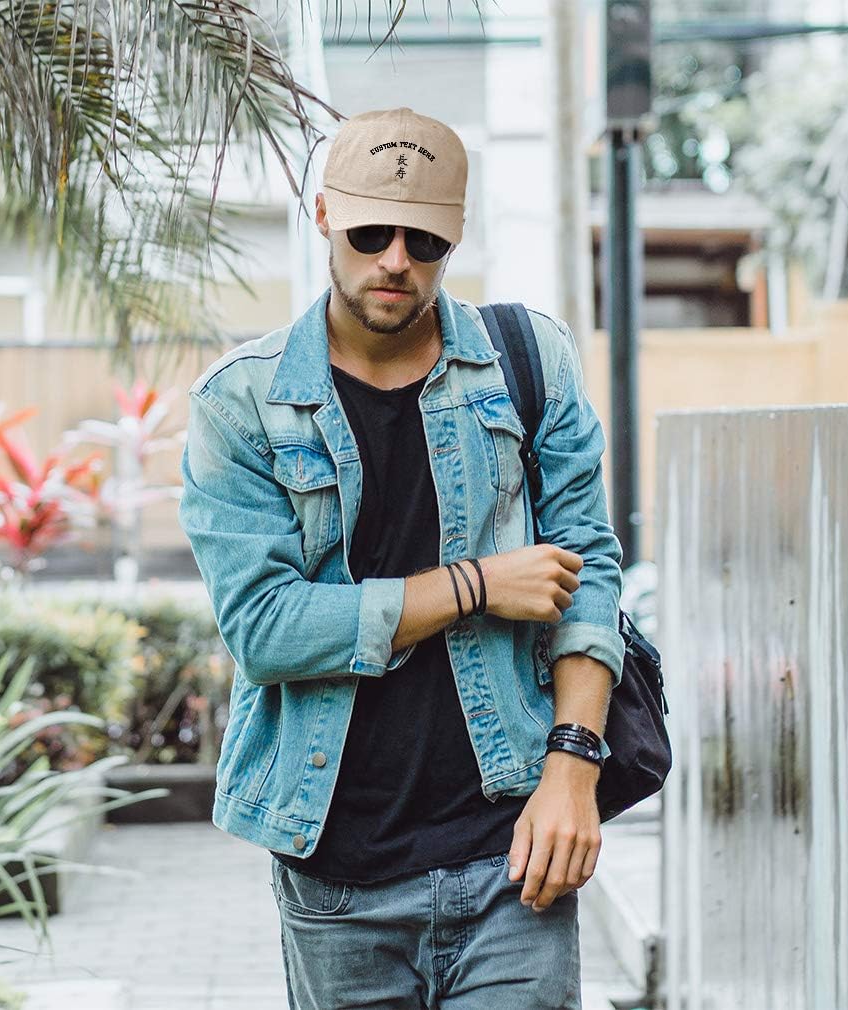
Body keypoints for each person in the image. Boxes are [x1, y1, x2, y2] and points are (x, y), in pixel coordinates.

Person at [178, 106, 626, 1009]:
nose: (395, 261)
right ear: (324, 218)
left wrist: (574, 769)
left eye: (424, 240)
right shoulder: (243, 403)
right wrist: (475, 586)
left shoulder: (528, 360)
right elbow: (265, 629)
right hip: (340, 879)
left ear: (454, 237)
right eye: (371, 233)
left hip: (512, 856)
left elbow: (588, 569)